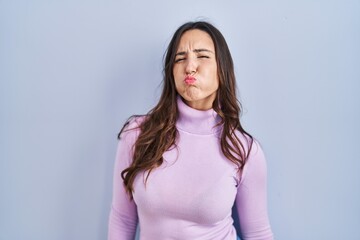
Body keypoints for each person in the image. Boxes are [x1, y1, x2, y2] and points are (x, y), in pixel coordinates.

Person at [108, 21, 274, 240]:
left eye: (202, 56)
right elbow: (123, 220)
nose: (189, 66)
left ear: (222, 69)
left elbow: (257, 234)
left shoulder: (244, 150)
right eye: (180, 58)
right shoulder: (138, 134)